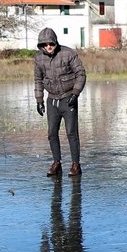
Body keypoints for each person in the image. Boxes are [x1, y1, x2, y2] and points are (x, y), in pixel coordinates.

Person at [33, 27, 86, 177]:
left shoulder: (68, 53)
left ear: (55, 42)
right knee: (51, 133)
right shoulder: (38, 58)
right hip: (52, 100)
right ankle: (57, 163)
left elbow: (81, 74)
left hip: (68, 98)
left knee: (71, 133)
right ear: (41, 45)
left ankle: (76, 164)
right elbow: (38, 80)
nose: (48, 46)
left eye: (51, 43)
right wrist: (39, 100)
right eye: (45, 44)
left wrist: (75, 93)